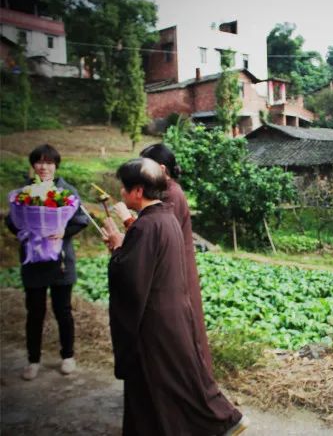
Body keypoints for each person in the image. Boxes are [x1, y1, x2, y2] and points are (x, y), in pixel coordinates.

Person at [102, 158, 246, 436]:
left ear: (138, 191)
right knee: (169, 384)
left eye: (124, 187)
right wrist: (124, 245)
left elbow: (131, 280)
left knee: (164, 384)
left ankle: (222, 421)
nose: (121, 192)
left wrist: (118, 248)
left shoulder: (145, 227)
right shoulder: (164, 218)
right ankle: (221, 421)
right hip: (172, 314)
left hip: (153, 321)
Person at [112, 143, 214, 372]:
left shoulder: (170, 195)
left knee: (182, 333)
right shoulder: (164, 193)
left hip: (175, 271)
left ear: (159, 168)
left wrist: (128, 222)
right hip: (170, 267)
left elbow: (156, 238)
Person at [5, 144, 89, 380]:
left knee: (63, 310)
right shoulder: (24, 194)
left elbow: (81, 220)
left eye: (49, 162)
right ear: (33, 165)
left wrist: (63, 231)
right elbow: (11, 221)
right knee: (34, 312)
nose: (44, 167)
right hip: (33, 260)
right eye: (39, 162)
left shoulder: (66, 191)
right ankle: (33, 361)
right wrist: (25, 229)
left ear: (56, 165)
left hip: (60, 261)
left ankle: (68, 356)